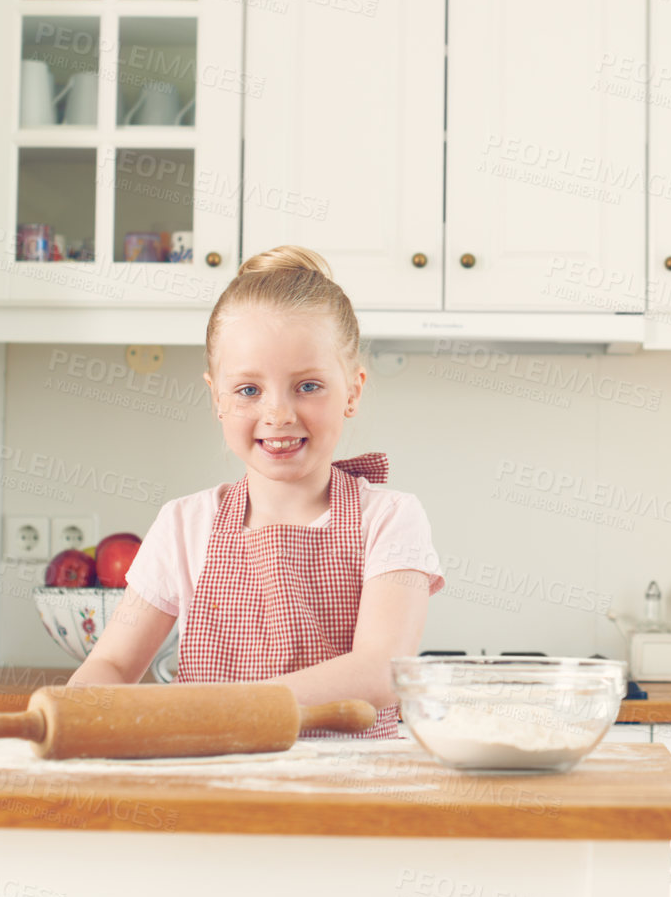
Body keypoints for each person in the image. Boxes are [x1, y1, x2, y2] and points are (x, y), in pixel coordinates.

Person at [69, 246, 443, 737]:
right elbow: (114, 664)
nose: (279, 414)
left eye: (308, 386)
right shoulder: (185, 525)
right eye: (249, 390)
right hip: (213, 792)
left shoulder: (390, 518)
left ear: (352, 390)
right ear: (216, 398)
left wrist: (222, 707)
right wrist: (78, 708)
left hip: (353, 795)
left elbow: (380, 671)